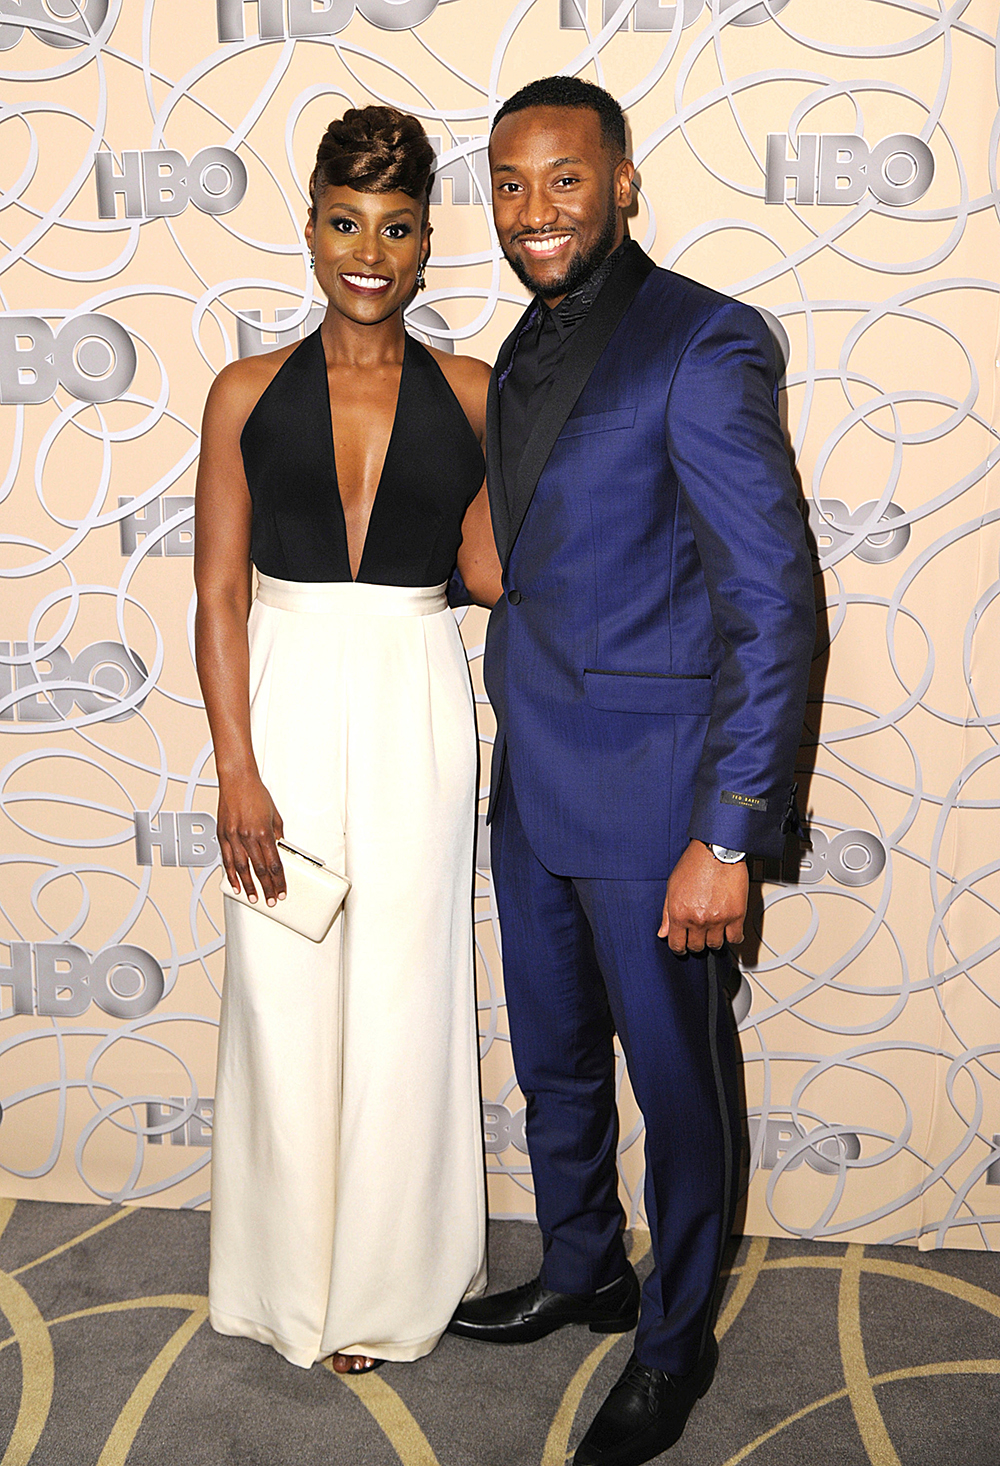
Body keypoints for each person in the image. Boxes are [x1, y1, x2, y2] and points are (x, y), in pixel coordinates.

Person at [447, 77, 815, 1466]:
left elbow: (773, 603)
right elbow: (522, 559)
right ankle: (582, 1264)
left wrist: (727, 831)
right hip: (533, 787)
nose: (535, 209)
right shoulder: (521, 348)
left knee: (677, 1080)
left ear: (623, 185)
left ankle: (674, 1346)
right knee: (554, 1063)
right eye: (509, 181)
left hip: (660, 798)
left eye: (565, 179)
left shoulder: (704, 340)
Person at [194, 105, 500, 1375]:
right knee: (280, 993)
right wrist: (235, 769)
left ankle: (383, 1285)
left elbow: (491, 571)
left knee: (404, 989)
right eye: (344, 221)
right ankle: (279, 1280)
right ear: (310, 224)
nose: (367, 250)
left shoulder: (480, 392)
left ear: (427, 241)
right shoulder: (245, 389)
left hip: (421, 695)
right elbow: (216, 590)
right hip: (286, 692)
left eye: (395, 226)